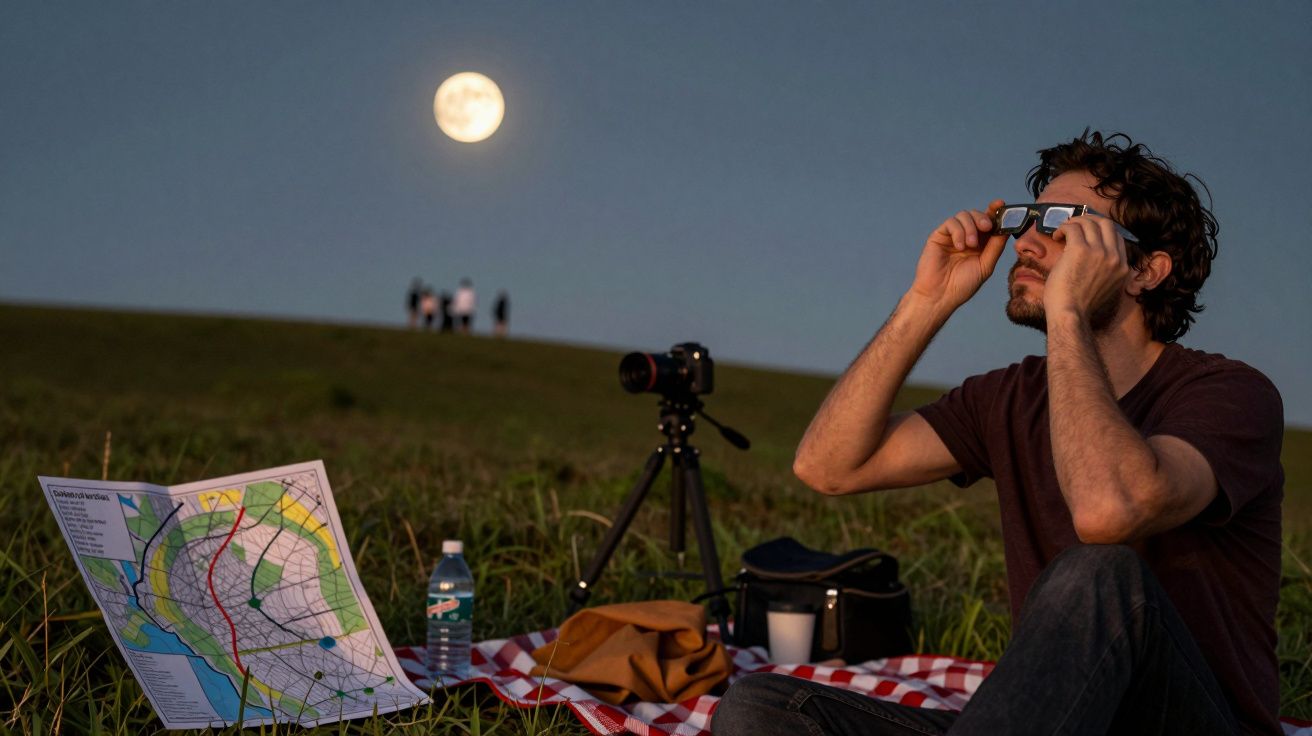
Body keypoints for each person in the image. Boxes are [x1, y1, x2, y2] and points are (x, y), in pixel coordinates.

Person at [712, 132, 1284, 735]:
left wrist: (1066, 312)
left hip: (1184, 724)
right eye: (1027, 221)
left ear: (1144, 270)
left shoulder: (1231, 394)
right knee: (762, 708)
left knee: (1098, 573)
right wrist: (928, 300)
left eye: (1064, 226)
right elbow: (828, 466)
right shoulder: (1011, 395)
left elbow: (1107, 511)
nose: (1027, 242)